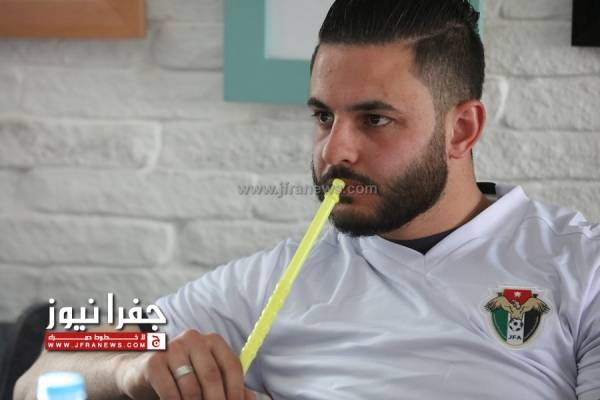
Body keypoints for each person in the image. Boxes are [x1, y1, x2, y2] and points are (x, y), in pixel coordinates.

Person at [15, 0, 600, 399]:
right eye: (324, 116)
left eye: (375, 119)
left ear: (462, 130)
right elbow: (43, 372)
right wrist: (131, 369)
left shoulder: (582, 268)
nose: (333, 150)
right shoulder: (269, 281)